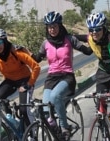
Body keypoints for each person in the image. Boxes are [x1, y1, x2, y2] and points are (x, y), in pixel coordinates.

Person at [31, 11, 92, 140]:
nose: (52, 29)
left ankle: (65, 128)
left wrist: (93, 38)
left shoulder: (69, 39)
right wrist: (25, 54)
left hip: (67, 76)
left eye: (55, 26)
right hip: (51, 78)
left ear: (60, 26)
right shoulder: (45, 43)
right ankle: (57, 133)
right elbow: (37, 58)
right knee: (46, 110)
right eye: (49, 27)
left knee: (55, 96)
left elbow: (87, 51)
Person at [0, 29, 41, 128]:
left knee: (23, 110)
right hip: (11, 81)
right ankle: (12, 120)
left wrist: (29, 84)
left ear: (4, 41)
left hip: (25, 80)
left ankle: (32, 136)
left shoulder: (16, 52)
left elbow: (36, 67)